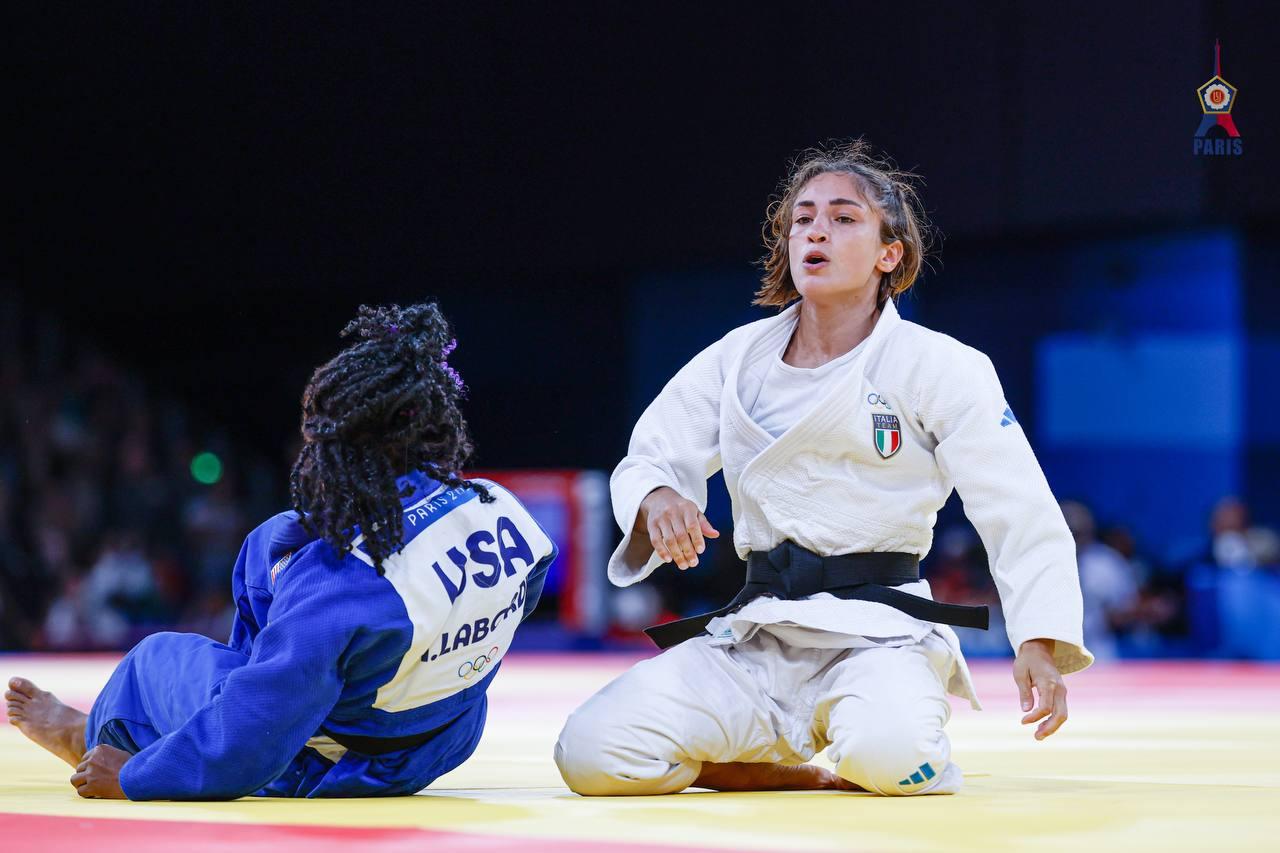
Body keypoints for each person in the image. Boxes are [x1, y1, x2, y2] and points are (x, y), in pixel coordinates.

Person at [555, 140, 1092, 797]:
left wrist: (1039, 636)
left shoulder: (940, 365)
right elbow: (653, 451)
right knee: (591, 752)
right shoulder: (739, 358)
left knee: (896, 762)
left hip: (879, 636)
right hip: (756, 635)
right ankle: (765, 770)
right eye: (802, 218)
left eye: (843, 218)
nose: (816, 230)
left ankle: (863, 731)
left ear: (888, 254)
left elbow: (1017, 507)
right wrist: (659, 495)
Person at [6, 302, 556, 800]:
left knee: (155, 660)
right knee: (276, 540)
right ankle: (266, 673)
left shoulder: (341, 582)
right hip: (446, 736)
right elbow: (519, 600)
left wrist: (132, 779)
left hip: (338, 764)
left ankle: (89, 733)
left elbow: (247, 745)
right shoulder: (498, 506)